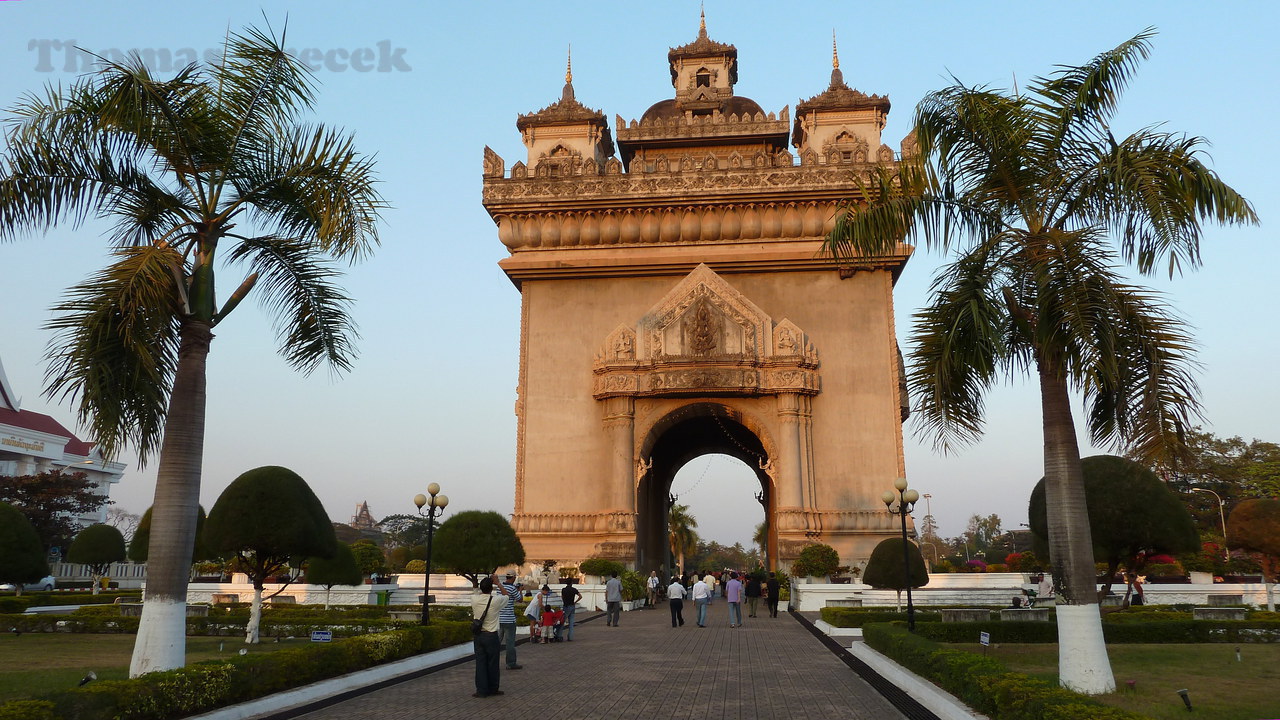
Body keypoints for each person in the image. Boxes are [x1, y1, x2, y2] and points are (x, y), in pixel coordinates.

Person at [471, 576, 507, 698]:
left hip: (479, 635)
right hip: (491, 636)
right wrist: (499, 583)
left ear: (481, 588)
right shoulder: (495, 600)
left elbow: (475, 590)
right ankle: (493, 688)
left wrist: (475, 583)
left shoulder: (474, 599)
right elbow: (507, 596)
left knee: (480, 663)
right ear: (491, 588)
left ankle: (481, 690)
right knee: (493, 663)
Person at [498, 572, 523, 670]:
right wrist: (520, 590)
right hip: (509, 619)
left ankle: (492, 661)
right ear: (513, 578)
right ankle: (511, 663)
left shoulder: (499, 588)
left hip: (499, 618)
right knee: (510, 643)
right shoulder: (512, 588)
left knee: (496, 642)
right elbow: (520, 599)